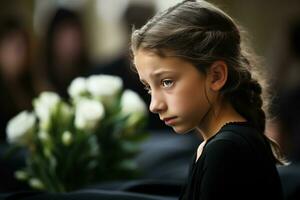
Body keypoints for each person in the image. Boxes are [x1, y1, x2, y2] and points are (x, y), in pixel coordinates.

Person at [130, 0, 284, 199]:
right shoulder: (216, 145)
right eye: (149, 88)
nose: (154, 105)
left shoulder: (226, 150)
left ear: (216, 76)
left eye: (167, 82)